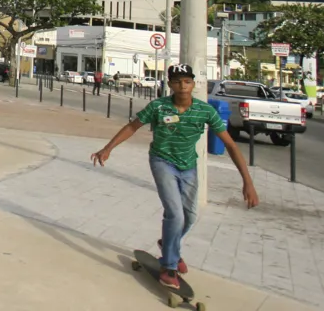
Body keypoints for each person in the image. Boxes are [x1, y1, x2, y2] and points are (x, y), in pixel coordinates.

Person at [91, 64, 258, 291]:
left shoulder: (205, 111)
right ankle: (169, 267)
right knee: (175, 214)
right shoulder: (159, 107)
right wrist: (108, 148)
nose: (182, 86)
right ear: (169, 84)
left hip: (188, 167)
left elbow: (230, 144)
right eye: (177, 81)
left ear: (193, 84)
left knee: (189, 216)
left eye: (187, 81)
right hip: (162, 162)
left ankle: (168, 243)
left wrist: (247, 182)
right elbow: (132, 126)